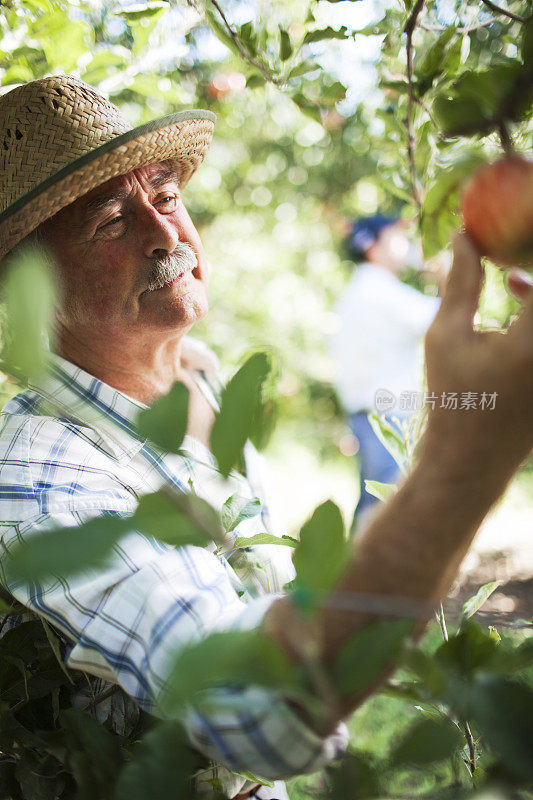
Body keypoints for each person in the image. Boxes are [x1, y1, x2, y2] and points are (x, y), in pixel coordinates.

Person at [1, 75, 533, 800]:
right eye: (110, 222)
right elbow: (248, 709)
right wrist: (464, 462)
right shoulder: (36, 468)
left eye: (163, 196)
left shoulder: (200, 376)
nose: (167, 236)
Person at [330, 215, 440, 532]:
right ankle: (356, 580)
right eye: (396, 235)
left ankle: (348, 576)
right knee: (384, 510)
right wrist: (448, 272)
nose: (405, 243)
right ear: (374, 248)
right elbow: (447, 319)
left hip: (370, 413)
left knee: (374, 505)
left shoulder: (361, 290)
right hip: (387, 415)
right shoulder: (379, 290)